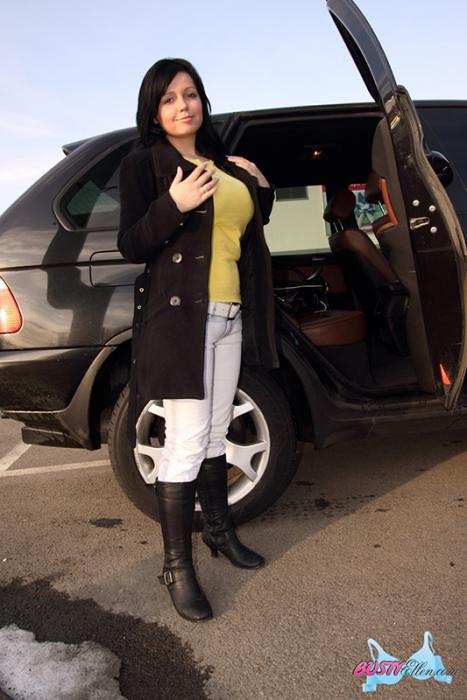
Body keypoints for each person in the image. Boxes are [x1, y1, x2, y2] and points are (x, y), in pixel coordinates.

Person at [117, 58, 279, 622]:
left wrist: (260, 185)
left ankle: (218, 531)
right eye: (168, 99)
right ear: (154, 112)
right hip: (181, 321)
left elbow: (245, 229)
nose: (182, 106)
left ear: (202, 101)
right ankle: (176, 567)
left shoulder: (225, 166)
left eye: (190, 94)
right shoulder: (145, 165)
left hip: (230, 315)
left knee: (215, 431)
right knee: (185, 440)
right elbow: (131, 243)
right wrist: (174, 205)